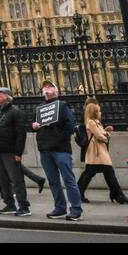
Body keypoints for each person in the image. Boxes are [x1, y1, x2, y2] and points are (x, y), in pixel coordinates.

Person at [30, 81, 82, 220]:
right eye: (44, 88)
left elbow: (70, 126)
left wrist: (59, 137)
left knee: (68, 180)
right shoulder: (39, 108)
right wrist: (34, 125)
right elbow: (34, 124)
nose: (46, 89)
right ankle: (60, 208)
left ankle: (76, 209)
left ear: (56, 91)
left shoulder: (62, 105)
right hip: (45, 149)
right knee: (53, 181)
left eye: (49, 87)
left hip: (60, 149)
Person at [76, 100, 128, 204]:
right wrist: (107, 135)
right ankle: (118, 195)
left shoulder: (96, 122)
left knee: (102, 172)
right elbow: (100, 136)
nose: (101, 113)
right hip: (96, 152)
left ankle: (117, 194)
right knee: (100, 172)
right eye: (98, 111)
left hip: (99, 151)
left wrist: (105, 131)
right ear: (94, 112)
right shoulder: (91, 122)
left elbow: (101, 133)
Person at [0, 87, 31, 217]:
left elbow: (21, 134)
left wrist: (18, 153)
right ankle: (9, 204)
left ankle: (24, 206)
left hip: (10, 150)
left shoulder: (15, 112)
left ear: (7, 96)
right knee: (3, 179)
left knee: (16, 179)